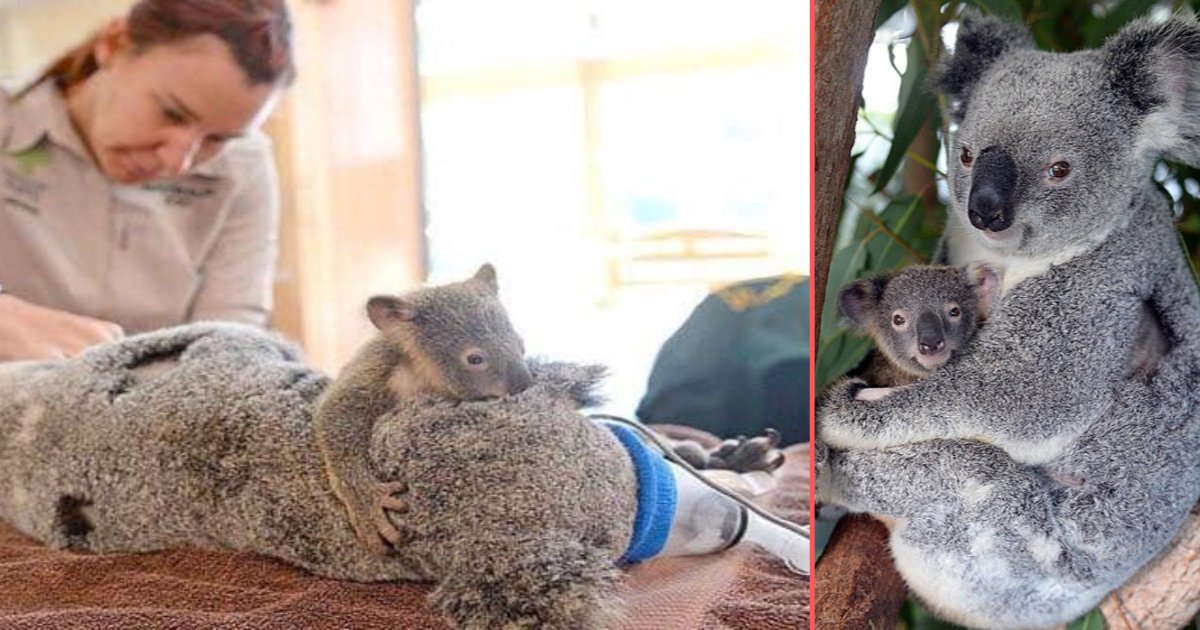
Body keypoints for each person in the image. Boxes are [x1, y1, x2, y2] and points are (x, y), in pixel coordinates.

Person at [0, 0, 295, 361]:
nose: (178, 161)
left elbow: (229, 344)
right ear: (113, 44)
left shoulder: (243, 169)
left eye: (218, 139)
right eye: (171, 112)